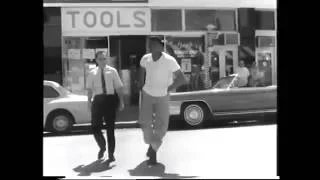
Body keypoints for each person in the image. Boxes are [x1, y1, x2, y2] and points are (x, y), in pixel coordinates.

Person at [138, 36, 187, 166]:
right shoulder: (145, 58)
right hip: (147, 94)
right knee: (145, 123)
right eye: (149, 44)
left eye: (153, 44)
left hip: (162, 96)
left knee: (162, 125)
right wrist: (141, 85)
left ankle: (153, 149)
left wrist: (168, 89)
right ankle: (152, 145)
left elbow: (182, 79)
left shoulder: (169, 61)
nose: (150, 46)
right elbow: (141, 70)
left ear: (161, 46)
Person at [86, 51, 125, 162]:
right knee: (95, 127)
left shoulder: (112, 71)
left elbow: (118, 87)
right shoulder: (92, 72)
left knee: (110, 129)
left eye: (104, 59)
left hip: (110, 100)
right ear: (96, 60)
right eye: (100, 59)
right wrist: (88, 102)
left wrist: (121, 101)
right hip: (98, 100)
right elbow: (89, 89)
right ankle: (102, 146)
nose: (103, 61)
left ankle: (111, 153)